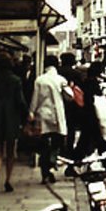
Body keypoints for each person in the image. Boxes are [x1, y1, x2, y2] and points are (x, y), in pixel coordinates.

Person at [0, 53, 27, 193]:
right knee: (10, 151)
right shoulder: (16, 80)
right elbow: (20, 101)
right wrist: (26, 115)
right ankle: (7, 181)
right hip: (11, 118)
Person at [28, 55, 69, 184]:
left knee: (44, 144)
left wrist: (31, 112)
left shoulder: (40, 80)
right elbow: (70, 97)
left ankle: (45, 172)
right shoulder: (61, 80)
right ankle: (52, 160)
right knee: (58, 141)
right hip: (57, 115)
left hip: (43, 115)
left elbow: (36, 98)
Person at [74, 61, 106, 177]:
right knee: (100, 143)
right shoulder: (92, 83)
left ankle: (74, 165)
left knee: (85, 144)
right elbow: (93, 102)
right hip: (92, 118)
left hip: (88, 118)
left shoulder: (87, 82)